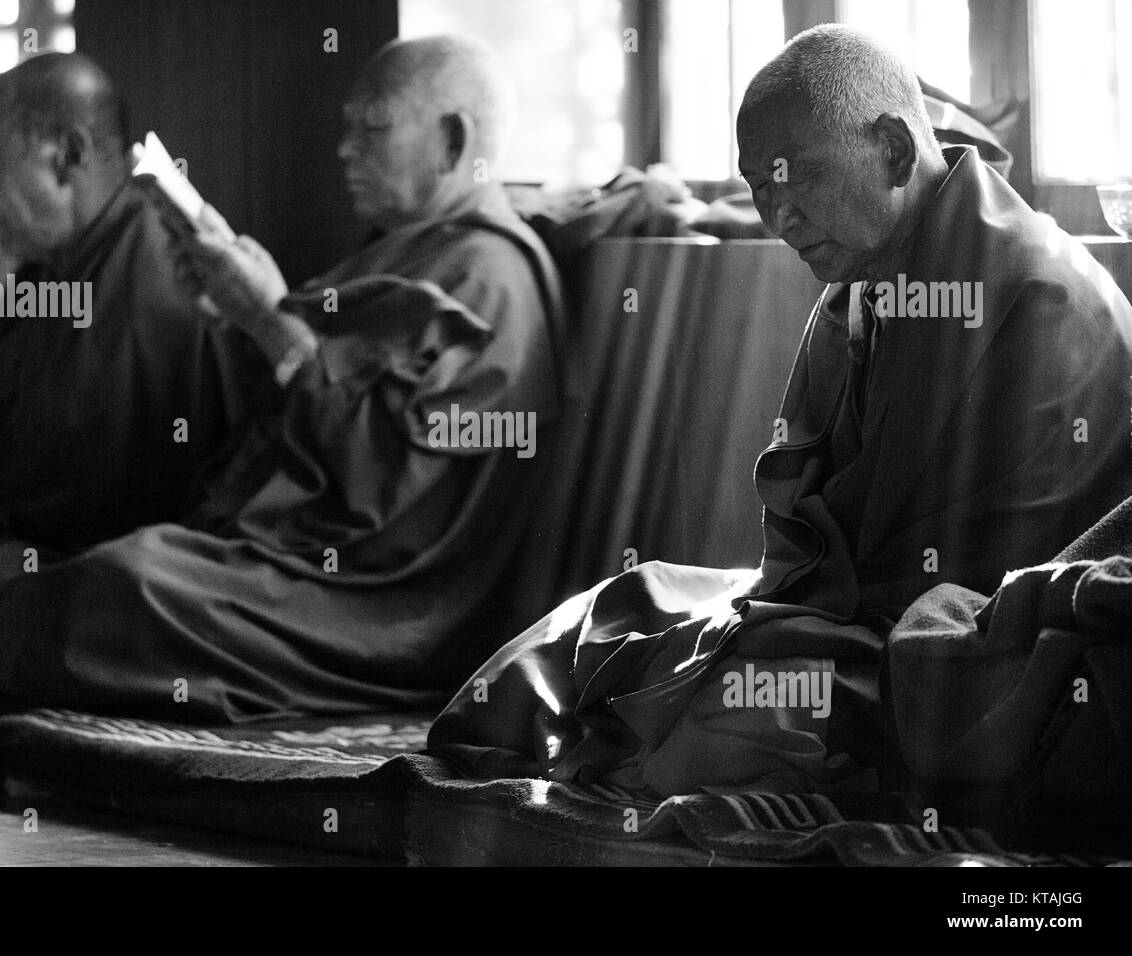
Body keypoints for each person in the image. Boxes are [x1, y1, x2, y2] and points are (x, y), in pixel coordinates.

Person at [427, 24, 1132, 797]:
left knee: (726, 712)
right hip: (845, 614)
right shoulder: (860, 284)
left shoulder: (1039, 297)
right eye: (761, 186)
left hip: (963, 655)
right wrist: (761, 615)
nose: (778, 217)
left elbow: (988, 587)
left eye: (798, 180)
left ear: (894, 150)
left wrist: (772, 631)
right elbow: (802, 516)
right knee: (615, 610)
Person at [0, 35, 564, 722]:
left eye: (370, 128)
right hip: (292, 556)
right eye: (346, 128)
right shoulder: (410, 250)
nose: (343, 149)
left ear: (453, 142)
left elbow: (385, 493)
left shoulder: (488, 278)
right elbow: (303, 411)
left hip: (378, 606)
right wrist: (234, 309)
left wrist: (271, 323)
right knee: (90, 572)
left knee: (128, 584)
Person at [0, 53, 267, 666]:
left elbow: (100, 504)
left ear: (67, 154)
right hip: (25, 537)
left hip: (96, 566)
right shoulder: (48, 269)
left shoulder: (157, 272)